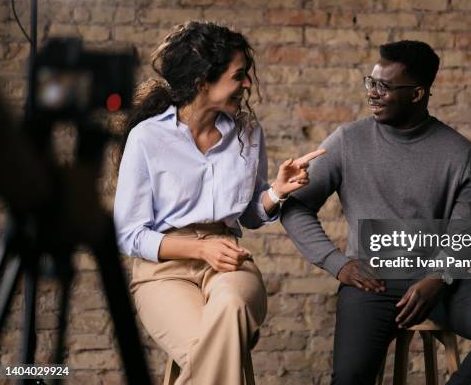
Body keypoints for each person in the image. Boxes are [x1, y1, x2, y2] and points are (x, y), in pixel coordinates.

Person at [281, 40, 471, 385]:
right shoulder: (347, 141)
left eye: (383, 87)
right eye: (370, 82)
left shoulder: (458, 153)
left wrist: (436, 279)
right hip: (371, 282)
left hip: (439, 283)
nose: (372, 93)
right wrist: (336, 263)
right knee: (351, 377)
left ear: (417, 94)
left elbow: (465, 234)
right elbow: (294, 207)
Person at [113, 21, 324, 385]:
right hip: (163, 271)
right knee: (217, 346)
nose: (247, 85)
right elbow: (128, 234)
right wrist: (200, 248)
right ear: (203, 82)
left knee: (230, 310)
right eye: (238, 76)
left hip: (229, 265)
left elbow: (249, 215)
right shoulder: (147, 138)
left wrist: (275, 192)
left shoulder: (247, 133)